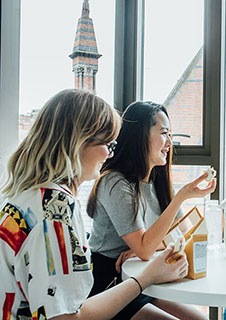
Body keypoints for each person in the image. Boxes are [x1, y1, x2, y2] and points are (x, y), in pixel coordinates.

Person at [0, 89, 188, 320]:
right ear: (77, 142)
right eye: (107, 144)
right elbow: (69, 318)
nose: (109, 154)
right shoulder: (55, 208)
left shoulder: (29, 196)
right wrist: (146, 278)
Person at [87, 101, 215, 319]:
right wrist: (182, 197)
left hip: (146, 279)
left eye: (171, 134)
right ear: (140, 135)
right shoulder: (115, 183)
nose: (169, 142)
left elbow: (183, 236)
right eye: (164, 133)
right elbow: (146, 249)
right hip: (111, 286)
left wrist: (145, 250)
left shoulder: (157, 181)